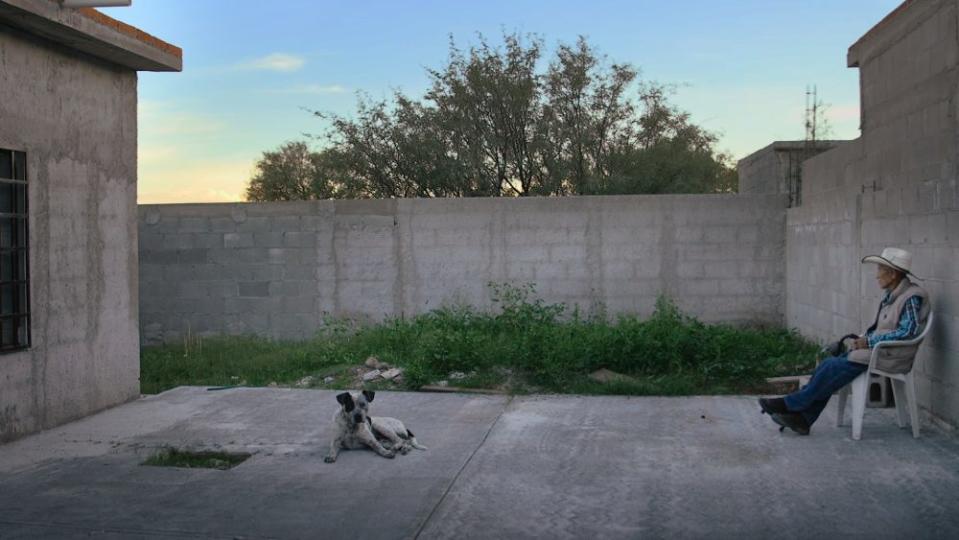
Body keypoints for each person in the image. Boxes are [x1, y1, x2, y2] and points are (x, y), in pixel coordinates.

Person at [759, 247, 931, 435]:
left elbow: (908, 331)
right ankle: (803, 419)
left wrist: (869, 342)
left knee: (832, 368)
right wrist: (863, 339)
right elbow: (884, 329)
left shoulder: (911, 297)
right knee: (828, 365)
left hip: (892, 356)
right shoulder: (893, 296)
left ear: (893, 274)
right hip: (879, 351)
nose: (876, 275)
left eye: (880, 270)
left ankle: (790, 404)